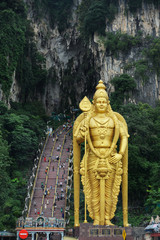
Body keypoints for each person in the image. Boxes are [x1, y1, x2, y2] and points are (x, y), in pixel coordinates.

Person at [73, 80, 129, 226]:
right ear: (94, 103)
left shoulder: (114, 120)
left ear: (108, 102)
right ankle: (96, 218)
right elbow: (78, 139)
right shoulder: (88, 119)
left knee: (110, 191)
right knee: (94, 190)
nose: (102, 104)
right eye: (99, 102)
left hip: (111, 157)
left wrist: (120, 154)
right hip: (93, 156)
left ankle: (108, 218)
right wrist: (83, 132)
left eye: (104, 101)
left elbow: (124, 137)